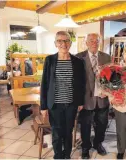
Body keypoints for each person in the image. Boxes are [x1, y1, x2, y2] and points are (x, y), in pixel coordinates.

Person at [40, 31, 85, 159]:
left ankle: (67, 155)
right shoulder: (50, 60)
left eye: (66, 41)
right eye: (60, 41)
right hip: (55, 104)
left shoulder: (78, 61)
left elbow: (81, 83)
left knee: (68, 131)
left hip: (71, 103)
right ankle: (58, 156)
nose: (63, 44)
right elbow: (45, 83)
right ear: (55, 43)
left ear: (70, 43)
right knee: (56, 133)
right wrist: (43, 106)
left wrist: (80, 102)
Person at [76, 33, 111, 159]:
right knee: (85, 125)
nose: (94, 43)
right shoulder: (78, 58)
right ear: (86, 43)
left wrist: (108, 91)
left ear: (99, 42)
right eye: (91, 41)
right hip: (86, 99)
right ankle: (85, 147)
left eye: (96, 41)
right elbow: (76, 81)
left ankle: (98, 143)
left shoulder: (107, 57)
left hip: (102, 98)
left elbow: (111, 78)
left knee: (102, 123)